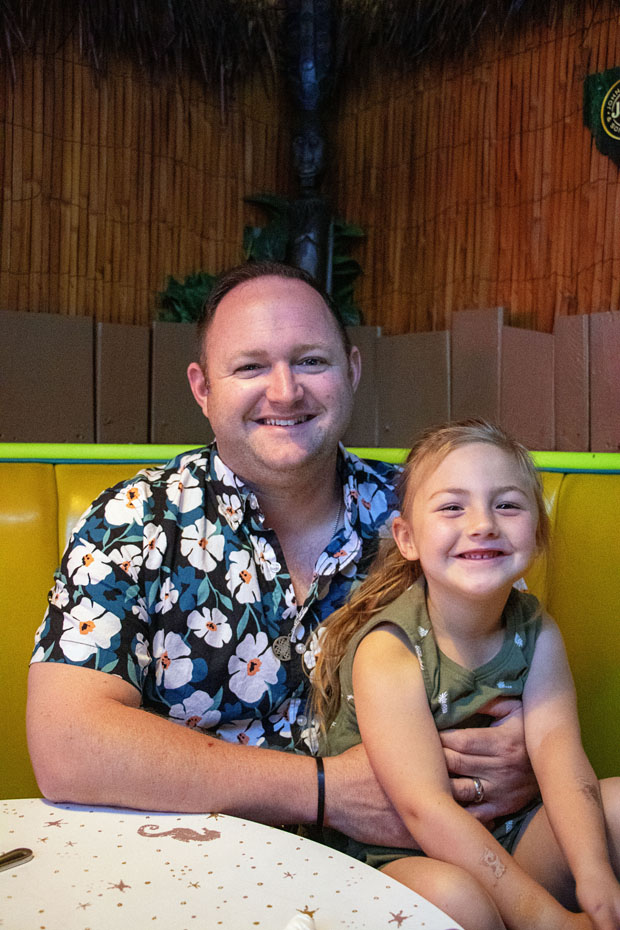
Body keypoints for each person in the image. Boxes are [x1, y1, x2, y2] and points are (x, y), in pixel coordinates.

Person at [27, 261, 535, 845]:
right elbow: (66, 742)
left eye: (311, 361)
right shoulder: (134, 521)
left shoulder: (432, 513)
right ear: (203, 389)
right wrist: (326, 791)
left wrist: (527, 755)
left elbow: (518, 664)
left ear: (352, 370)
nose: (285, 391)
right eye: (250, 367)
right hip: (200, 867)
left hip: (421, 859)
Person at [309, 419, 620, 930]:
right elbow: (425, 809)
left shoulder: (537, 630)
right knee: (461, 901)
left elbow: (561, 758)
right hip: (397, 855)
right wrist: (549, 920)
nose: (483, 524)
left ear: (538, 532)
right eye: (453, 507)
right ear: (407, 538)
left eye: (508, 505)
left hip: (508, 833)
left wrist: (596, 878)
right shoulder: (389, 652)